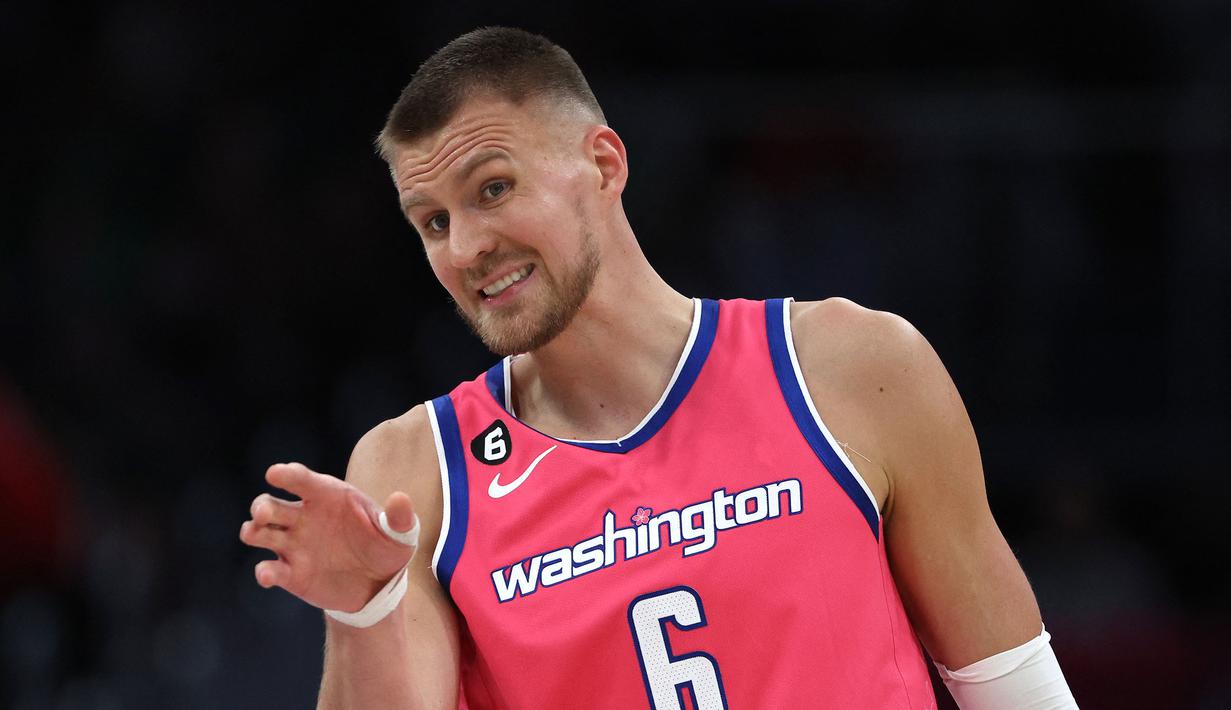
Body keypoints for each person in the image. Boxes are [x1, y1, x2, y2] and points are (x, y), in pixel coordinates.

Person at [239, 27, 1078, 709]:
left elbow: (1017, 695)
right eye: (430, 222)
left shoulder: (852, 369)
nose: (464, 248)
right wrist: (364, 609)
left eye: (492, 189)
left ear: (604, 164)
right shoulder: (415, 473)